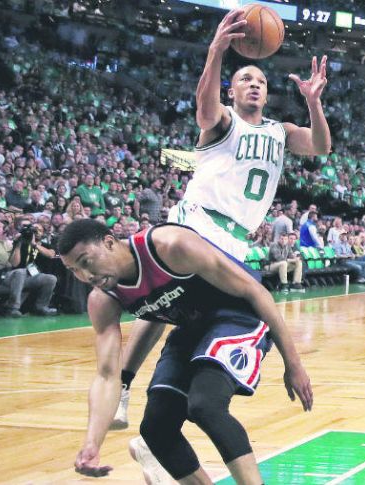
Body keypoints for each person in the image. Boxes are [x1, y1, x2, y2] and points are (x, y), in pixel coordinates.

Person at [115, 7, 331, 430]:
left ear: (267, 95)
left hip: (236, 239)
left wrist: (313, 103)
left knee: (194, 318)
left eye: (261, 81)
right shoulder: (223, 121)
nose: (254, 84)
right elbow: (203, 107)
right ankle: (121, 387)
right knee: (162, 306)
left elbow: (321, 146)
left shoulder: (280, 132)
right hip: (196, 220)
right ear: (231, 92)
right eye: (245, 79)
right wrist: (215, 51)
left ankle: (162, 418)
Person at [58, 219, 313, 484]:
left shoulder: (171, 245)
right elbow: (107, 375)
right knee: (155, 428)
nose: (85, 276)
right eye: (73, 270)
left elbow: (255, 291)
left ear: (109, 242)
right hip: (191, 328)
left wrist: (293, 363)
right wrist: (92, 444)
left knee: (205, 405)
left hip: (238, 316)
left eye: (86, 262)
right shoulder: (102, 298)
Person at [0, 218, 58, 317]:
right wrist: (18, 243)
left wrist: (29, 243)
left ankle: (41, 307)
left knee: (50, 278)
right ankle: (13, 308)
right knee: (20, 272)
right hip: (4, 276)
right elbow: (13, 264)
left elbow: (51, 254)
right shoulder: (14, 242)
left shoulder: (9, 242)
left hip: (23, 276)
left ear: (3, 229)